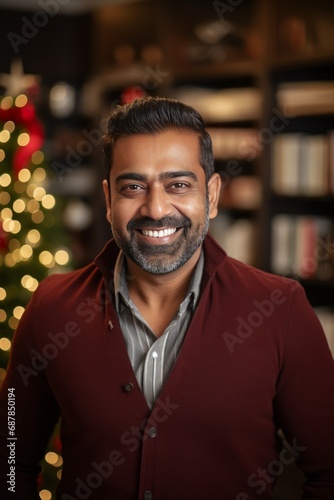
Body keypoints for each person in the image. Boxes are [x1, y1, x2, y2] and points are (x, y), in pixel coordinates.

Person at [0, 96, 334, 500]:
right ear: (108, 200)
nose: (156, 208)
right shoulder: (51, 309)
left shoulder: (280, 310)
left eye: (178, 185)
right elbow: (12, 457)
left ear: (211, 194)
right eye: (133, 186)